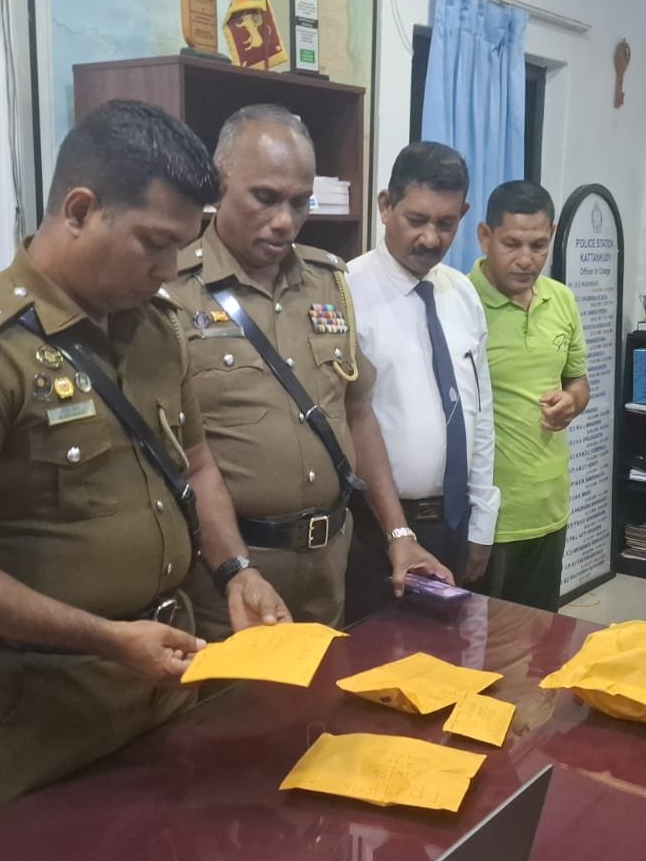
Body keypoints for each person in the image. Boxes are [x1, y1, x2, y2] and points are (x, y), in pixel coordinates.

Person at [0, 100, 290, 814]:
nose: (169, 271)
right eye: (153, 244)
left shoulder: (155, 330)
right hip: (50, 710)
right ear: (79, 210)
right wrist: (109, 639)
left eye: (183, 248)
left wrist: (235, 569)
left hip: (166, 677)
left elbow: (195, 466)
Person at [166, 104, 450, 641]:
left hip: (327, 569)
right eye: (265, 197)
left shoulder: (327, 282)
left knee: (323, 693)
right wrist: (234, 569)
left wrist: (398, 535)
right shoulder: (174, 293)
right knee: (239, 697)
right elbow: (183, 461)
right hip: (228, 578)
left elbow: (356, 411)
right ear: (219, 184)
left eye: (300, 202)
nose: (284, 221)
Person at [343, 141, 498, 619]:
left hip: (453, 522)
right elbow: (348, 417)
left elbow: (480, 412)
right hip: (373, 529)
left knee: (449, 650)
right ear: (385, 206)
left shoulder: (462, 294)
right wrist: (397, 532)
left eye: (446, 224)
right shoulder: (345, 292)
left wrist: (481, 521)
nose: (431, 238)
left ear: (464, 215)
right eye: (416, 220)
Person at [468, 180, 589, 612]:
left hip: (549, 506)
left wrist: (572, 402)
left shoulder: (562, 300)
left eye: (538, 245)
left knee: (540, 638)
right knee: (479, 641)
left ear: (551, 235)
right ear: (485, 236)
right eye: (511, 244)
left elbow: (579, 381)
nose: (526, 259)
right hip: (486, 517)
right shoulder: (460, 303)